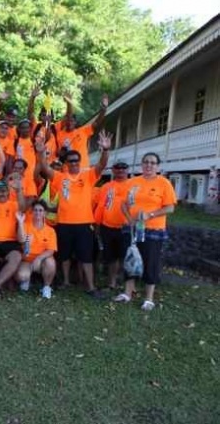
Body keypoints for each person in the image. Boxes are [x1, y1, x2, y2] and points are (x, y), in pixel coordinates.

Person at [36, 130, 111, 297]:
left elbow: (102, 165)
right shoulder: (59, 177)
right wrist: (40, 152)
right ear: (66, 163)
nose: (74, 163)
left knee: (86, 257)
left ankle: (91, 287)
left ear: (80, 161)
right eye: (71, 161)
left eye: (76, 160)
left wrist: (105, 150)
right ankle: (65, 282)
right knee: (64, 255)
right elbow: (45, 168)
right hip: (64, 223)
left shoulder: (88, 175)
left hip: (84, 224)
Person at [115, 152, 177, 311]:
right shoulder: (132, 182)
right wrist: (129, 218)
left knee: (151, 262)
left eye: (153, 163)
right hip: (132, 229)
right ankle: (127, 293)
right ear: (141, 164)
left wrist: (150, 215)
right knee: (130, 260)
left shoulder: (164, 183)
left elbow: (170, 207)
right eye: (146, 162)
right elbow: (123, 204)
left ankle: (149, 299)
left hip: (152, 230)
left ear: (157, 166)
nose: (149, 165)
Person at [94, 160, 129, 289]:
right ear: (113, 170)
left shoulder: (133, 185)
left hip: (126, 227)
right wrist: (97, 224)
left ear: (127, 170)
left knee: (126, 256)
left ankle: (128, 284)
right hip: (107, 227)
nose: (120, 170)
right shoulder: (106, 187)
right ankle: (112, 283)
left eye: (123, 167)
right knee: (111, 257)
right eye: (117, 168)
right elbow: (100, 206)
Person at [15, 201, 58, 299]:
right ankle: (27, 279)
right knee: (21, 276)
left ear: (45, 213)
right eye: (35, 210)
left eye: (40, 210)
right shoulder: (25, 225)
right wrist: (20, 222)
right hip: (26, 260)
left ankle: (46, 287)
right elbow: (21, 239)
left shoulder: (50, 231)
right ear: (32, 212)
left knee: (50, 262)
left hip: (41, 261)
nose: (38, 213)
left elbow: (51, 250)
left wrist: (39, 258)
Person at [55, 92, 108, 169]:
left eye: (72, 121)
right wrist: (61, 153)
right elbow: (57, 153)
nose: (69, 122)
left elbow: (97, 122)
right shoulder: (59, 134)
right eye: (68, 120)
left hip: (83, 168)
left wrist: (103, 109)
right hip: (67, 170)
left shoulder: (83, 131)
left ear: (75, 122)